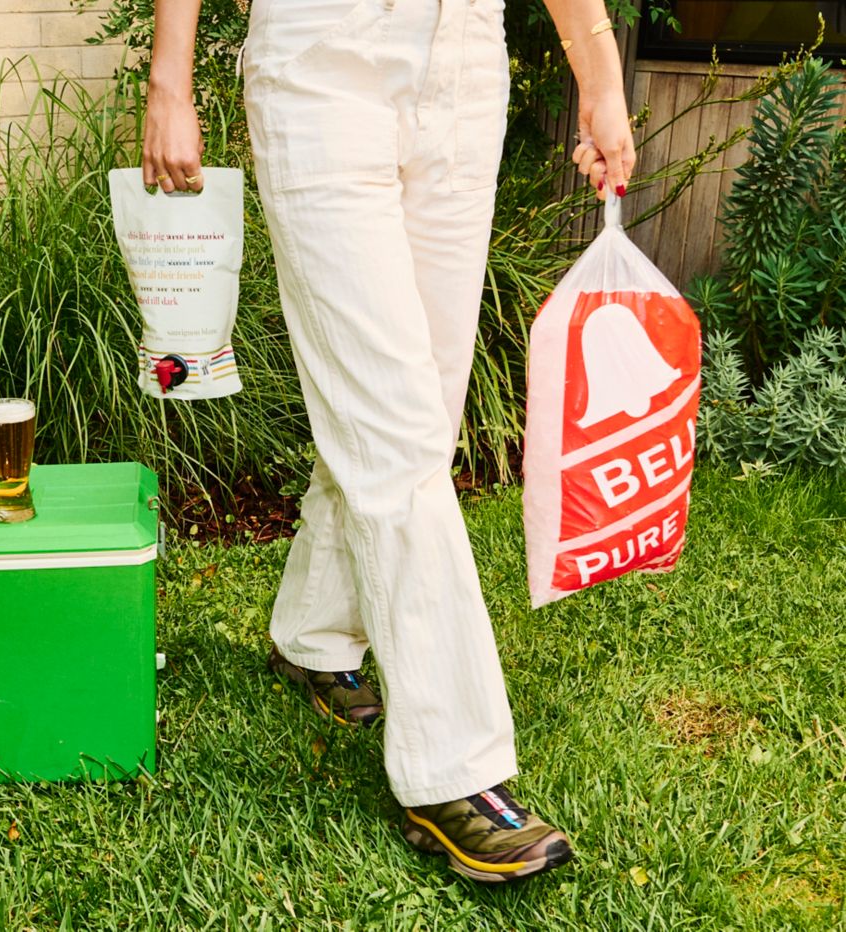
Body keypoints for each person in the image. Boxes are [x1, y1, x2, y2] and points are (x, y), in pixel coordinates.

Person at [143, 0, 635, 882]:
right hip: (322, 63)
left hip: (466, 63)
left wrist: (598, 80)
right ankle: (456, 771)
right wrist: (169, 80)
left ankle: (313, 634)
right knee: (395, 424)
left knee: (421, 414)